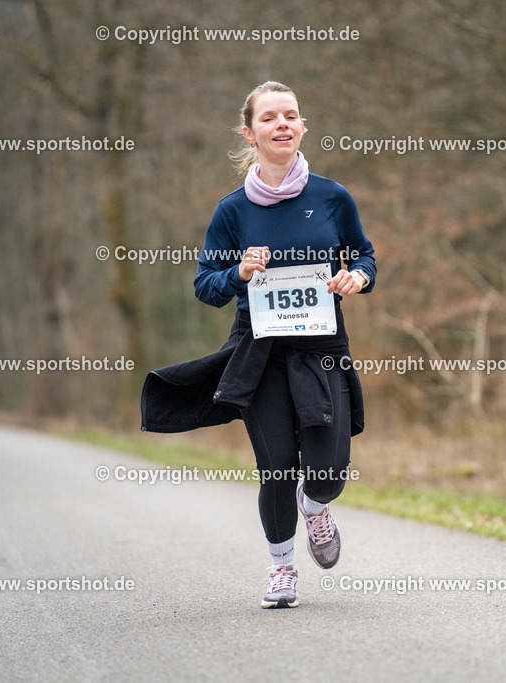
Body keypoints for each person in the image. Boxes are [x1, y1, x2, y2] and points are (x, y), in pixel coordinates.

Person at [142, 81, 376, 608]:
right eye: (270, 118)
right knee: (275, 466)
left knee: (329, 470)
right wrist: (240, 273)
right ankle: (281, 568)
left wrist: (357, 278)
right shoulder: (232, 211)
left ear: (303, 126)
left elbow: (364, 256)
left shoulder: (332, 197)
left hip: (320, 349)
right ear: (250, 133)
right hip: (260, 351)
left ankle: (315, 507)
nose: (283, 125)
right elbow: (205, 286)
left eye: (291, 115)